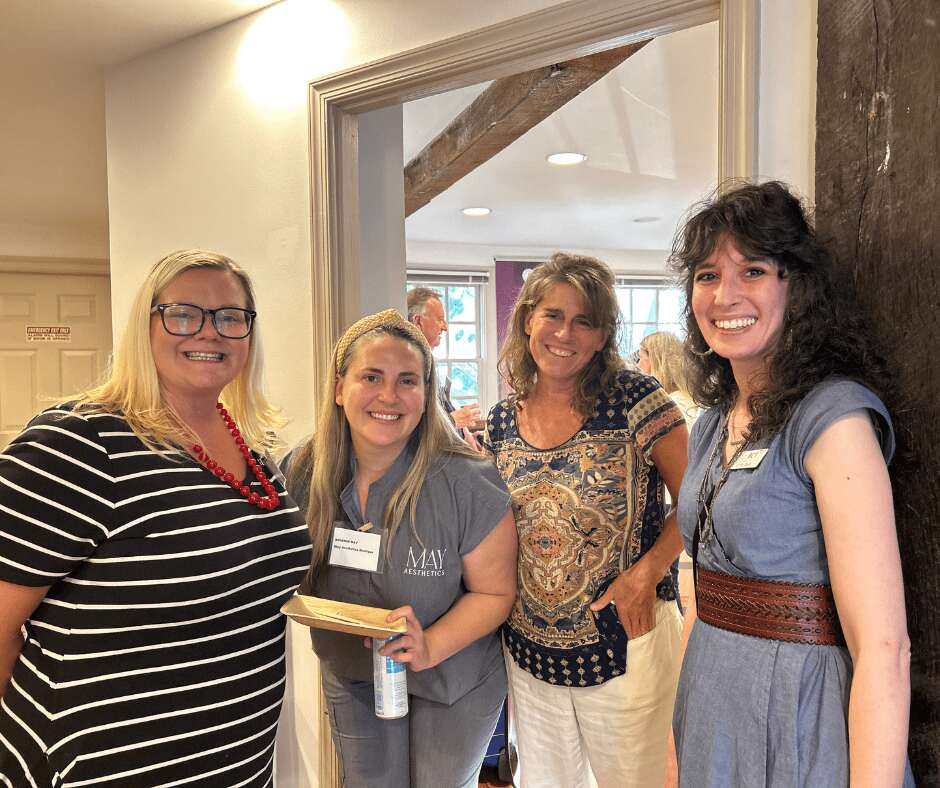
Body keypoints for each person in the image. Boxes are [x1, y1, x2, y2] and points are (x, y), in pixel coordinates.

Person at [0, 250, 311, 786]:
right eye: (183, 313)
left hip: (236, 758)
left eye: (230, 317)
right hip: (102, 764)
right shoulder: (78, 442)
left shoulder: (254, 448)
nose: (209, 332)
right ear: (144, 326)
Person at [671, 181, 914, 786]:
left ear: (796, 287)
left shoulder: (834, 419)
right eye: (706, 275)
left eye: (752, 270)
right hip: (709, 702)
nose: (725, 295)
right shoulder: (709, 426)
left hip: (801, 710)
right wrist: (680, 748)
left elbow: (884, 648)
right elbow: (704, 599)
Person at [285, 308, 517, 788]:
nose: (388, 396)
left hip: (453, 678)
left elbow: (495, 594)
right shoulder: (304, 470)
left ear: (426, 394)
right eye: (371, 376)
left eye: (407, 380)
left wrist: (430, 645)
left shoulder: (465, 480)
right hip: (355, 674)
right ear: (338, 387)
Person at [483, 253, 689, 787]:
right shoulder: (503, 419)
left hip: (625, 632)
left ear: (602, 336)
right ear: (528, 320)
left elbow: (699, 500)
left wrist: (646, 574)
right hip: (529, 648)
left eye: (584, 321)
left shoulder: (636, 400)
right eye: (552, 315)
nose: (564, 333)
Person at [406, 286, 481, 431]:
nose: (445, 327)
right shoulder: (409, 367)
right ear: (417, 322)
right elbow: (415, 430)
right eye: (440, 319)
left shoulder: (426, 362)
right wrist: (454, 420)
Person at [639, 330, 701, 427]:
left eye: (642, 358)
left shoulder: (675, 404)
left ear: (657, 362)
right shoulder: (683, 397)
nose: (639, 365)